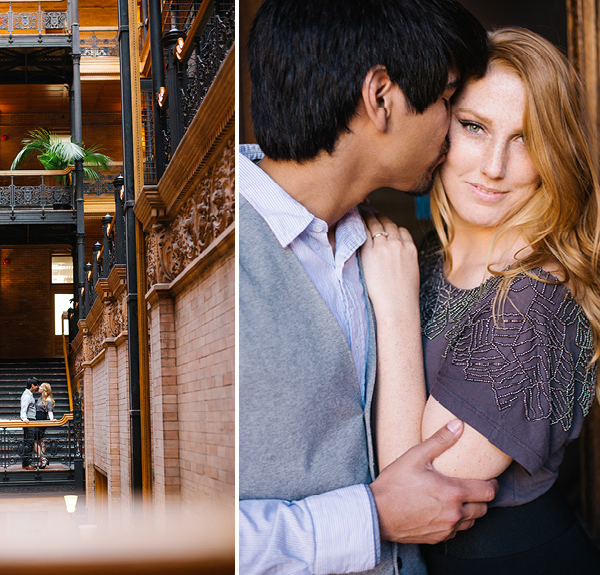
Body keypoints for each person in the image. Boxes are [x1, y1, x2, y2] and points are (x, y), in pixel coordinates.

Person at [239, 1, 497, 574]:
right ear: (382, 98)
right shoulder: (228, 253)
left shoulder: (390, 249)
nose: (454, 127)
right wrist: (370, 518)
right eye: (448, 98)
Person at [360, 27, 600, 574]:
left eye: (525, 138)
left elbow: (417, 486)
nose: (494, 166)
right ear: (439, 124)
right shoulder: (428, 259)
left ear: (555, 154)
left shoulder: (535, 298)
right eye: (474, 127)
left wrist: (395, 308)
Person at [20, 376, 40, 470]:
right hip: (29, 421)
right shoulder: (27, 396)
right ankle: (26, 464)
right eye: (36, 385)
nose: (38, 387)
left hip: (31, 420)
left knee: (29, 442)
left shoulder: (29, 394)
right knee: (29, 442)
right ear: (32, 385)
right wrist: (24, 419)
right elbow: (23, 409)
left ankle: (26, 463)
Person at [34, 382, 55, 469]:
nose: (39, 387)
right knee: (41, 440)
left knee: (34, 441)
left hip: (41, 420)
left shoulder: (48, 400)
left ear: (45, 389)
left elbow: (50, 411)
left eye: (41, 387)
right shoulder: (40, 398)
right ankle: (41, 462)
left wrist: (51, 419)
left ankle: (43, 459)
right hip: (38, 420)